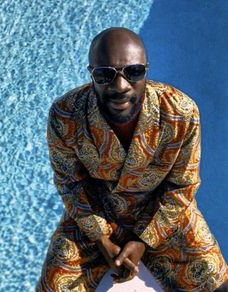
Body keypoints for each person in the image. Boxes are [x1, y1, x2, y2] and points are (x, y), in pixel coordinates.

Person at [36, 27, 228, 291]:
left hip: (162, 214)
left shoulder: (181, 113)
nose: (120, 86)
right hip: (96, 213)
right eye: (104, 75)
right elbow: (71, 183)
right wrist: (101, 238)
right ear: (91, 73)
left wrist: (144, 240)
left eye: (133, 72)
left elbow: (182, 186)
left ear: (146, 70)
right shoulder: (66, 115)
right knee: (53, 286)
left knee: (216, 283)